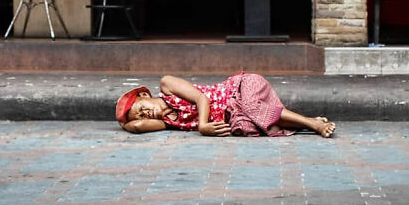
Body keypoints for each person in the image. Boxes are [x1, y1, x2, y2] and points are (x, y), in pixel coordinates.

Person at [116, 72, 336, 137]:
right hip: (233, 114)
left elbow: (201, 99)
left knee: (252, 109)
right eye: (141, 115)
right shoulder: (167, 121)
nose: (145, 113)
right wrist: (126, 121)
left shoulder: (167, 85)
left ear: (145, 94)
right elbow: (134, 127)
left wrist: (202, 125)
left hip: (240, 88)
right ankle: (310, 123)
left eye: (140, 107)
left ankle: (313, 124)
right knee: (246, 128)